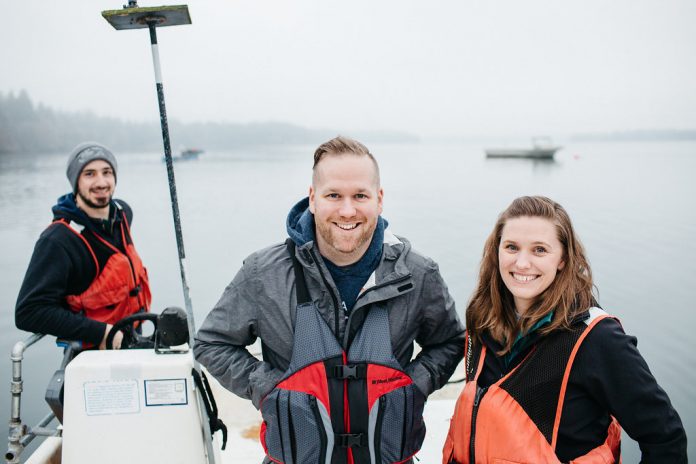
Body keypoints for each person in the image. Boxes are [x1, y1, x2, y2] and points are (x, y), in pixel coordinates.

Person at [194, 135, 465, 463]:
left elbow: (450, 342)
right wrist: (267, 387)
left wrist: (413, 385)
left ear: (379, 199)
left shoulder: (418, 274)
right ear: (312, 198)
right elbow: (211, 343)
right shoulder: (262, 273)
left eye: (360, 195)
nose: (347, 210)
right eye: (334, 195)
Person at [442, 196, 687, 463]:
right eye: (512, 247)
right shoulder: (482, 319)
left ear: (562, 258)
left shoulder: (596, 339)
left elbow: (665, 437)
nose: (522, 263)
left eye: (539, 250)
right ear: (496, 250)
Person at [15, 142, 151, 350]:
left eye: (107, 172)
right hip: (93, 355)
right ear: (75, 182)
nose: (101, 182)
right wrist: (101, 332)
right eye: (89, 174)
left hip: (134, 341)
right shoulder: (58, 239)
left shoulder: (123, 214)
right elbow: (29, 312)